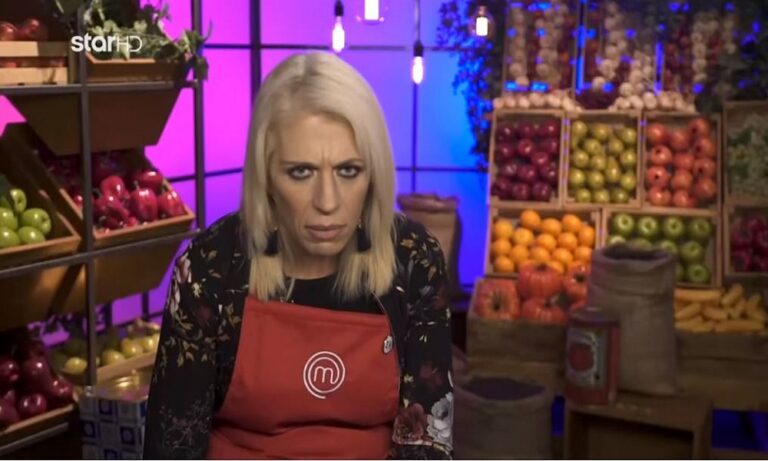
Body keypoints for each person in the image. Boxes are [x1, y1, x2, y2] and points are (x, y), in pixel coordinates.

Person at [143, 52, 454, 460]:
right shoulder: (209, 267)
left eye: (348, 171)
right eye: (301, 172)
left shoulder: (413, 259)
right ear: (266, 177)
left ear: (373, 175)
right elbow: (172, 448)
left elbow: (427, 442)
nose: (328, 202)